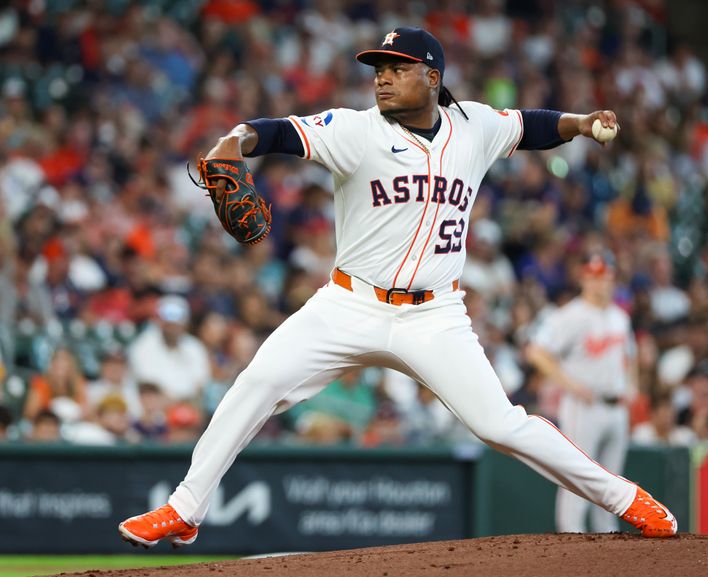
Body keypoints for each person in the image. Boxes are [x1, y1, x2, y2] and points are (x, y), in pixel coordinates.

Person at [119, 27, 676, 548]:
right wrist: (234, 139)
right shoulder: (356, 131)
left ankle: (626, 498)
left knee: (498, 424)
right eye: (378, 68)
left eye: (396, 67)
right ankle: (186, 508)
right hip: (347, 303)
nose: (381, 77)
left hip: (434, 317)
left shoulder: (473, 126)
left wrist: (580, 122)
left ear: (432, 78)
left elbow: (529, 126)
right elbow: (280, 132)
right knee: (258, 381)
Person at [526, 250, 637, 533]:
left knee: (614, 482)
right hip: (583, 406)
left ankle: (607, 545)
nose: (599, 283)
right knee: (577, 481)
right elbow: (536, 352)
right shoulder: (570, 315)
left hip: (616, 407)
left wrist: (632, 385)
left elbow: (630, 356)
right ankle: (570, 544)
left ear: (612, 279)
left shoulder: (619, 317)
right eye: (593, 277)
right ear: (584, 279)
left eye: (604, 277)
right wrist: (571, 386)